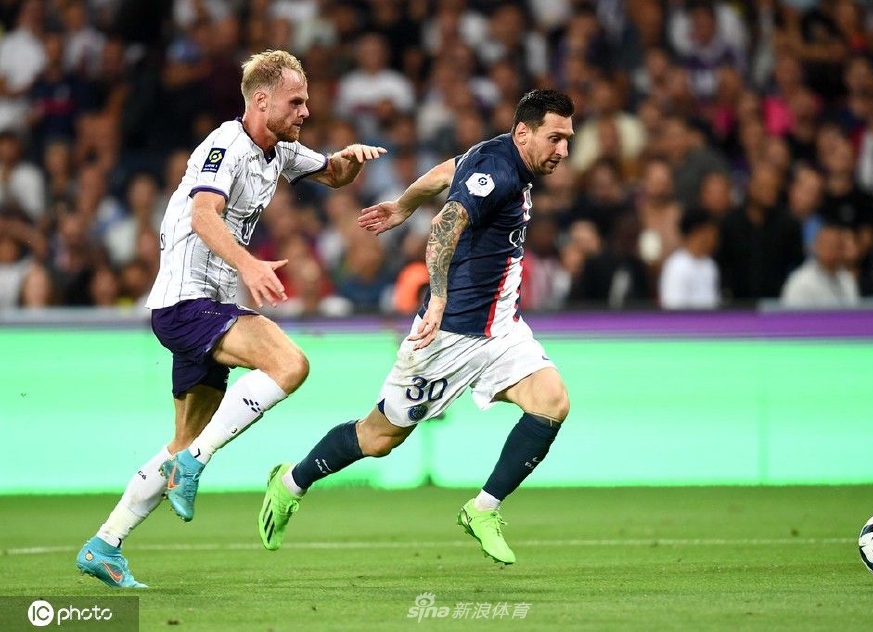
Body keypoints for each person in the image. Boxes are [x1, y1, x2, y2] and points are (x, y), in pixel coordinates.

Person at [75, 49, 385, 588]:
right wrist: (248, 264)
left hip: (203, 307)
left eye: (306, 102)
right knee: (290, 365)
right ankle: (194, 463)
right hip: (187, 303)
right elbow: (203, 214)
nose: (306, 111)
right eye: (296, 102)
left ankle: (105, 543)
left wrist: (351, 160)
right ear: (261, 101)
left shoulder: (279, 150)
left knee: (182, 441)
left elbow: (334, 173)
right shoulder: (225, 146)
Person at [257, 89, 574, 565]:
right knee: (378, 438)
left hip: (502, 329)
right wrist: (438, 296)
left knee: (552, 402)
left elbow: (448, 172)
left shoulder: (499, 153)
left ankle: (482, 510)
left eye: (568, 139)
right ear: (524, 132)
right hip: (450, 336)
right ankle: (290, 482)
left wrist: (403, 205)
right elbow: (446, 224)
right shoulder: (501, 172)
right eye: (555, 138)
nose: (563, 150)